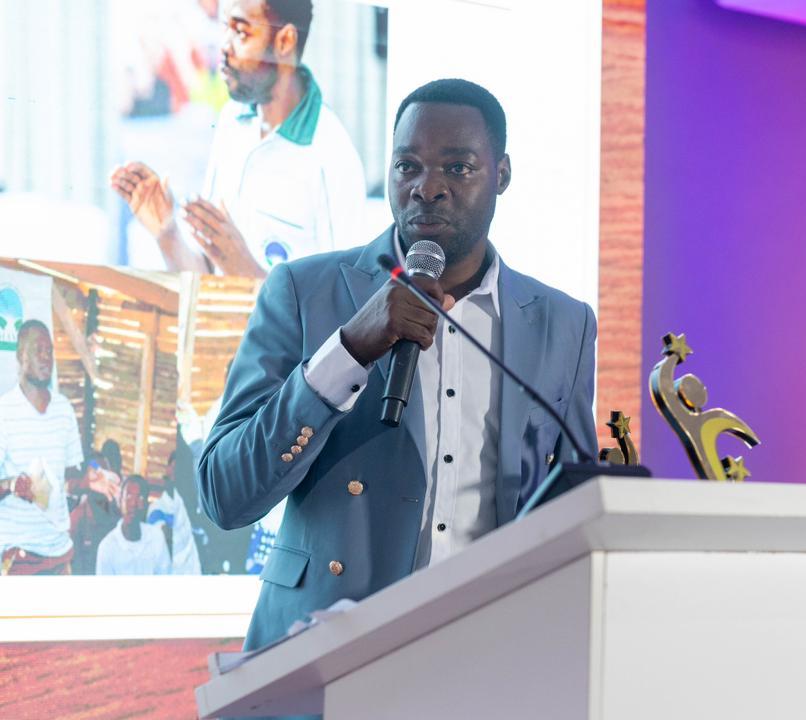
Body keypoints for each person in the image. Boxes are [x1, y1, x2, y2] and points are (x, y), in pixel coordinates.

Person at [199, 79, 598, 659]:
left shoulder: (563, 324)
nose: (427, 188)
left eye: (458, 168)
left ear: (502, 174)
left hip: (489, 658)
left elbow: (570, 505)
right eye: (407, 166)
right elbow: (224, 493)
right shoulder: (304, 291)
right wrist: (347, 352)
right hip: (326, 656)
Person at [110, 0, 366, 278]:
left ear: (285, 41)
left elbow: (344, 301)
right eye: (225, 29)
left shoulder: (331, 156)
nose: (224, 46)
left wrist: (245, 269)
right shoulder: (233, 121)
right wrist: (166, 232)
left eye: (241, 33)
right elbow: (208, 281)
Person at [0, 320, 84, 575]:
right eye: (39, 350)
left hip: (60, 552)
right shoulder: (4, 412)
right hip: (18, 556)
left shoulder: (64, 410)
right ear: (21, 356)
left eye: (50, 351)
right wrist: (11, 485)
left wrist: (89, 481)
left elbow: (71, 480)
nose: (46, 357)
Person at [95, 475, 171, 575]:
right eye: (128, 496)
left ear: (146, 505)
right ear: (119, 502)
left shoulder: (156, 537)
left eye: (140, 498)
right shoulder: (107, 548)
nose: (133, 504)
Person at [147, 451, 202, 574]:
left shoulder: (188, 508)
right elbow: (164, 540)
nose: (177, 473)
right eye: (173, 467)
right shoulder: (156, 509)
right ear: (167, 470)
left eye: (182, 469)